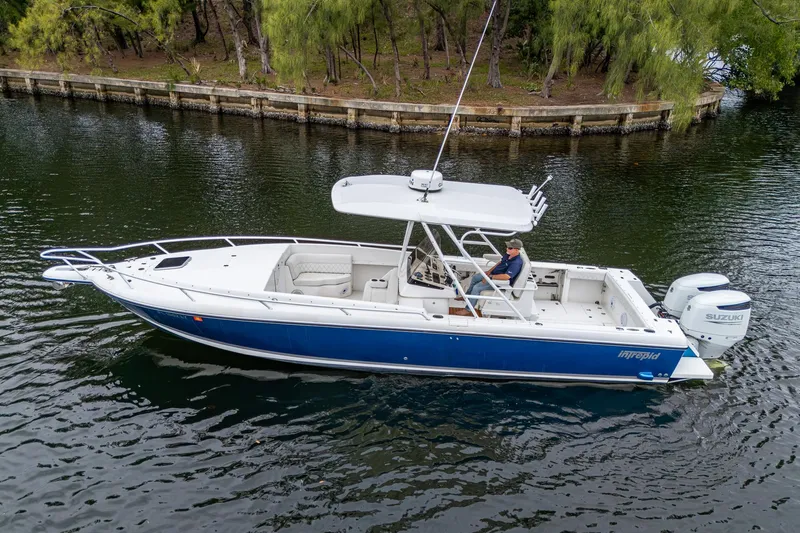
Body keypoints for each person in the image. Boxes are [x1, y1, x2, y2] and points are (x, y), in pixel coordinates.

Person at [454, 239, 524, 316]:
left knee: (477, 288)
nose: (507, 249)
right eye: (507, 247)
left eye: (510, 248)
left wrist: (490, 277)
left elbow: (506, 277)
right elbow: (499, 263)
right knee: (475, 278)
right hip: (492, 275)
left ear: (517, 250)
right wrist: (488, 272)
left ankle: (468, 309)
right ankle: (467, 296)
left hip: (499, 282)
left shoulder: (516, 263)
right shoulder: (508, 255)